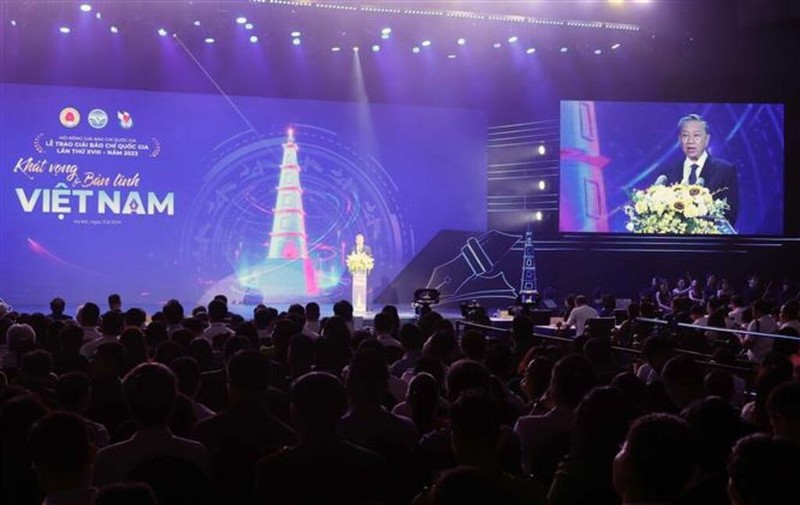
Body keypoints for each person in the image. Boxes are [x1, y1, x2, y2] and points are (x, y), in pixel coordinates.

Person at [661, 113, 739, 226]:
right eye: (685, 135)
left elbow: (730, 215)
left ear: (707, 139)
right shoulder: (668, 172)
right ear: (679, 139)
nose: (690, 141)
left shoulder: (725, 170)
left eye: (696, 135)